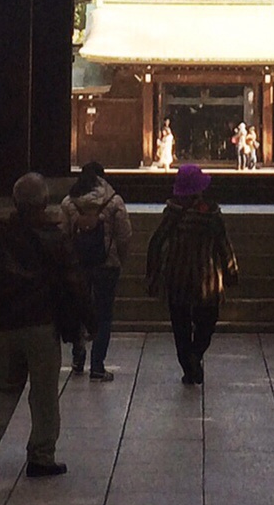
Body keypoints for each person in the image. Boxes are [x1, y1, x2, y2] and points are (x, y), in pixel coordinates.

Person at [0, 173, 90, 480]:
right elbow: (73, 282)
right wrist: (87, 321)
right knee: (44, 392)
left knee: (2, 385)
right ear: (45, 202)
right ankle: (41, 455)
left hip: (3, 324)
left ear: (14, 201)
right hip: (41, 324)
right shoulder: (55, 238)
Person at [145, 161, 238, 384]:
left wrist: (153, 275)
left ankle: (189, 366)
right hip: (207, 279)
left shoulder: (173, 215)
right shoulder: (212, 216)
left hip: (177, 277)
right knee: (207, 322)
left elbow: (156, 243)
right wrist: (231, 271)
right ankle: (196, 355)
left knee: (181, 327)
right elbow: (224, 245)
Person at [62, 160, 131, 381]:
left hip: (78, 265)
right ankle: (98, 366)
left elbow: (62, 235)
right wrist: (119, 258)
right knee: (104, 315)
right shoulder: (114, 201)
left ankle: (78, 356)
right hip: (106, 265)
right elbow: (124, 234)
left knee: (77, 310)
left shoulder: (69, 203)